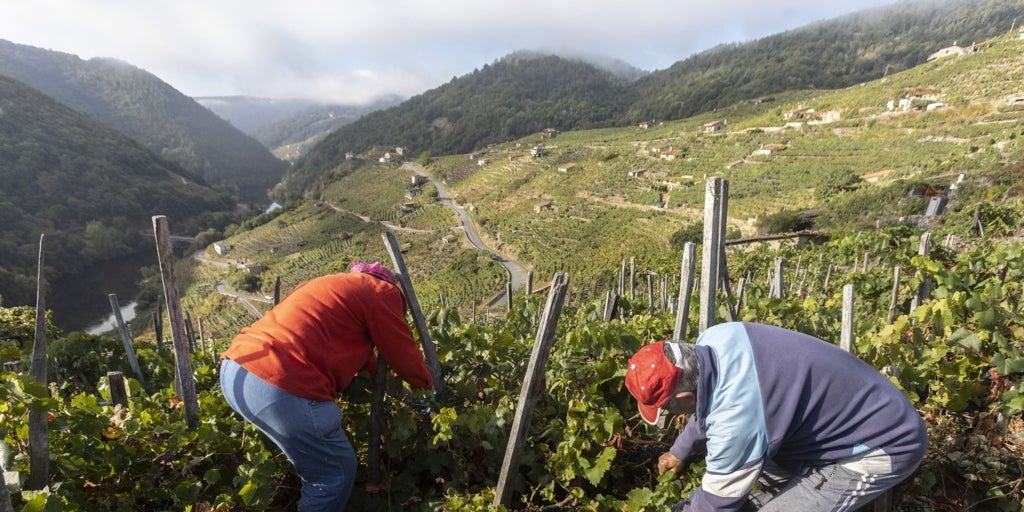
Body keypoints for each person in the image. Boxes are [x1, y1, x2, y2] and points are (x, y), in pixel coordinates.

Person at [624, 322, 927, 511]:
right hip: (856, 409)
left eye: (665, 409)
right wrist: (681, 451)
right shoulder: (715, 338)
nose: (665, 415)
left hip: (884, 443)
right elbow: (709, 402)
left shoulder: (738, 421)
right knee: (751, 478)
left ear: (684, 397)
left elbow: (717, 502)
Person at [220, 261, 434, 511]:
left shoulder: (327, 287)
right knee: (333, 474)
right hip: (281, 384)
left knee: (316, 464)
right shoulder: (380, 291)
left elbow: (369, 364)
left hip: (237, 370)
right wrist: (425, 387)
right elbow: (400, 349)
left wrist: (398, 391)